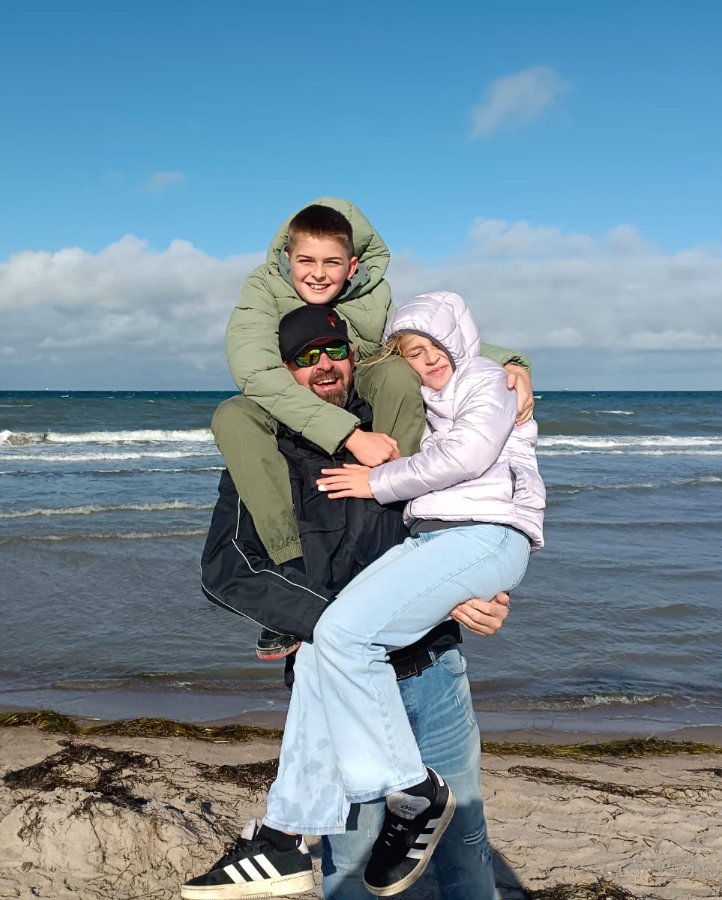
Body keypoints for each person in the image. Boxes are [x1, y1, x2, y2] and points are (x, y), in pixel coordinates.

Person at [183, 305, 509, 899]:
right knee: (352, 863)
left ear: (355, 358)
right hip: (336, 686)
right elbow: (228, 570)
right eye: (306, 358)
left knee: (465, 845)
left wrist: (481, 591)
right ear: (284, 374)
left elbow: (470, 512)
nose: (324, 365)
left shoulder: (402, 430)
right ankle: (284, 840)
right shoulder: (264, 458)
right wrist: (340, 627)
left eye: (334, 351)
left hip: (432, 670)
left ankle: (280, 838)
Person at [213, 198, 533, 661]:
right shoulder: (263, 296)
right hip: (336, 649)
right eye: (306, 261)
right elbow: (255, 372)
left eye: (332, 262)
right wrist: (349, 436)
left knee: (399, 375)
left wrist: (509, 361)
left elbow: (419, 339)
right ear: (287, 258)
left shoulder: (372, 302)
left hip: (422, 646)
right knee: (233, 415)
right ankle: (290, 561)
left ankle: (401, 490)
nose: (318, 274)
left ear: (352, 265)